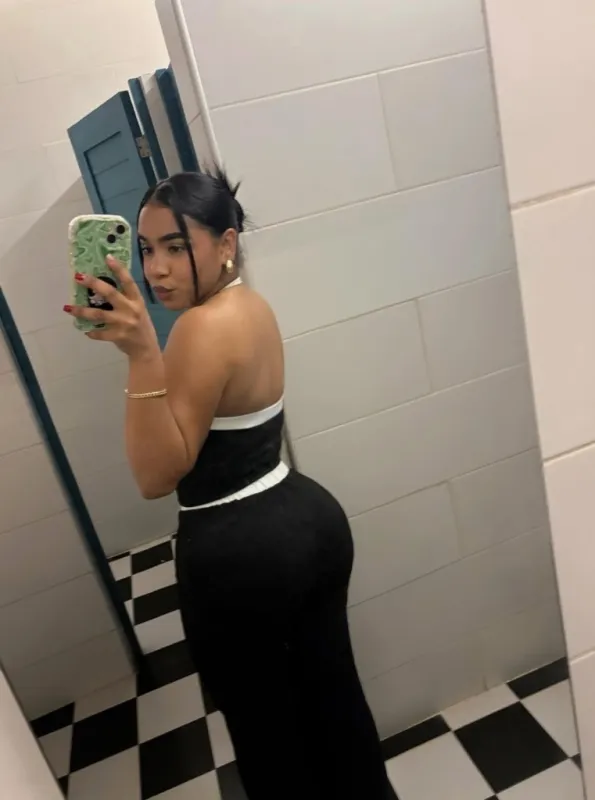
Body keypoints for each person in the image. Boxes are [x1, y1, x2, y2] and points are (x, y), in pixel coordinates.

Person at [63, 170, 393, 800]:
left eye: (176, 246)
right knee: (336, 710)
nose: (156, 269)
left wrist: (142, 355)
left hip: (242, 557)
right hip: (307, 519)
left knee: (271, 744)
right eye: (146, 249)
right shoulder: (251, 306)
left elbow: (155, 477)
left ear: (226, 244)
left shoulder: (200, 327)